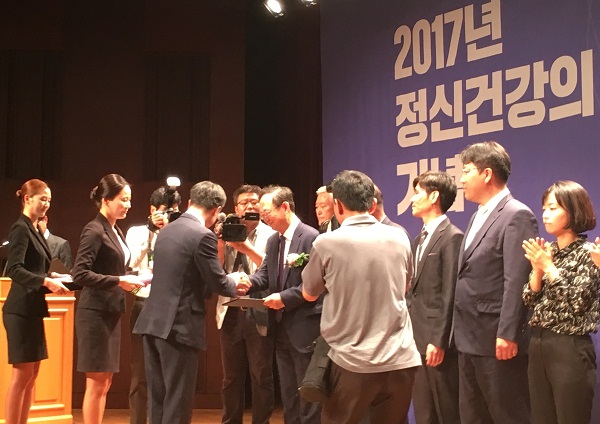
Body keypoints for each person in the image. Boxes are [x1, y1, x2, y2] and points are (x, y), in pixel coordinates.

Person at [301, 170, 420, 424]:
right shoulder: (400, 237)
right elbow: (405, 286)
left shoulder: (326, 243)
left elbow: (309, 294)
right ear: (372, 204)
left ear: (337, 205)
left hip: (351, 361)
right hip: (400, 360)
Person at [133, 181, 250, 424]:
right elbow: (218, 283)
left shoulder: (166, 231)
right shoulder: (202, 235)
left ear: (189, 202)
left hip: (152, 323)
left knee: (158, 398)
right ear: (217, 210)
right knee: (177, 401)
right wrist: (235, 280)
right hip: (178, 327)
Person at [453, 141, 538, 424]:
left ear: (487, 173)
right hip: (468, 338)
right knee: (473, 416)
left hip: (495, 339)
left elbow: (517, 279)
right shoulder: (477, 215)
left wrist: (508, 333)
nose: (462, 179)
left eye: (466, 171)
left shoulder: (516, 214)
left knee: (507, 415)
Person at [522, 180, 599, 424]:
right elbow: (529, 299)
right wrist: (537, 271)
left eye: (553, 208)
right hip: (538, 344)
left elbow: (577, 302)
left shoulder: (589, 253)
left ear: (573, 210)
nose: (545, 214)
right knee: (541, 417)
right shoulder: (548, 251)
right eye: (544, 208)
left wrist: (548, 267)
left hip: (570, 348)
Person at [72, 174, 144, 424]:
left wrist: (137, 276)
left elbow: (116, 269)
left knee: (105, 381)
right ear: (106, 200)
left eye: (129, 200)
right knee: (96, 382)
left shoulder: (115, 229)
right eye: (123, 199)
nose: (128, 205)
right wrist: (118, 280)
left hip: (110, 312)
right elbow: (80, 274)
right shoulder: (94, 230)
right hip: (94, 313)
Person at [248, 185, 321, 424]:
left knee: (308, 397)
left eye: (267, 212)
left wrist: (284, 298)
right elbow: (264, 276)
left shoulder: (310, 237)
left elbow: (315, 285)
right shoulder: (273, 241)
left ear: (285, 207)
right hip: (280, 328)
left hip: (304, 328)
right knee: (289, 395)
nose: (263, 218)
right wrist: (245, 282)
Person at [2, 179, 70, 424]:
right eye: (42, 199)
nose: (46, 204)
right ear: (27, 199)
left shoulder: (36, 228)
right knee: (21, 376)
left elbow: (37, 267)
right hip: (20, 311)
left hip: (33, 309)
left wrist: (53, 276)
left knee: (32, 376)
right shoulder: (20, 228)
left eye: (49, 200)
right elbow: (15, 269)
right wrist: (44, 282)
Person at [215, 184, 277, 424]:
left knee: (261, 375)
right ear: (236, 208)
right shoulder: (226, 230)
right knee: (230, 377)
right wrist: (221, 242)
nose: (250, 206)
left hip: (258, 309)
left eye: (254, 202)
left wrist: (244, 247)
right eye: (244, 203)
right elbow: (216, 270)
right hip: (229, 311)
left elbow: (271, 269)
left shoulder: (271, 234)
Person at [407, 171, 462, 424]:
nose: (412, 198)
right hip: (416, 339)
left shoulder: (452, 236)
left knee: (445, 411)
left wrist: (439, 341)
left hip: (437, 344)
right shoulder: (418, 239)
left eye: (417, 193)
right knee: (424, 412)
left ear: (434, 196)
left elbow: (450, 292)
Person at [125, 186, 181, 424]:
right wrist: (151, 232)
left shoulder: (180, 234)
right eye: (164, 211)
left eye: (173, 212)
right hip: (143, 303)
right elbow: (131, 263)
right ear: (151, 210)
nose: (167, 216)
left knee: (169, 375)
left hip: (172, 307)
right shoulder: (137, 232)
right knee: (140, 374)